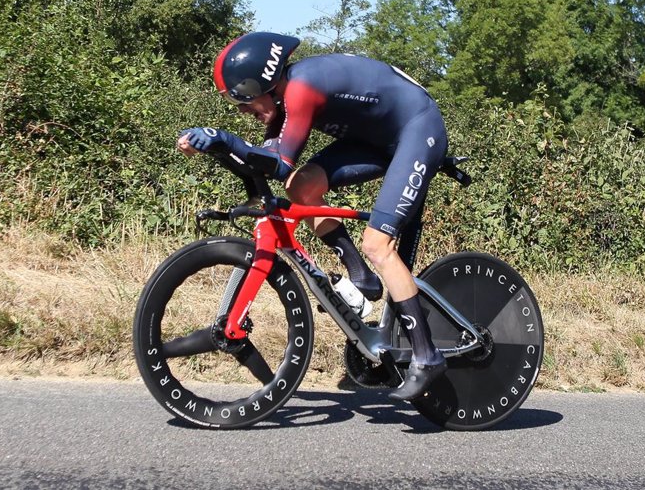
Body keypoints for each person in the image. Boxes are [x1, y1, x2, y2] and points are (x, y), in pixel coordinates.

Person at [177, 32, 447, 400]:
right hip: (376, 139)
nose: (244, 112)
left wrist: (223, 138)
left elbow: (279, 161)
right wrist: (213, 147)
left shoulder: (302, 89)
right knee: (300, 189)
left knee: (378, 243)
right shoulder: (283, 100)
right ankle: (362, 278)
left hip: (417, 129)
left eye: (244, 102)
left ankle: (427, 356)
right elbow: (260, 167)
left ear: (266, 84)